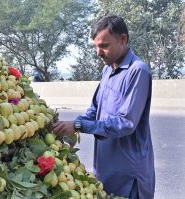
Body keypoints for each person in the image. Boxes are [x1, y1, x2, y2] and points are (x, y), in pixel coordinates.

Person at [52, 15, 155, 199]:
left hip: (129, 177)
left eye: (104, 46)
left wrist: (78, 126)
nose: (98, 52)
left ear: (123, 40)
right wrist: (67, 125)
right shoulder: (107, 70)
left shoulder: (137, 71)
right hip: (106, 172)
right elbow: (94, 111)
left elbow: (126, 123)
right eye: (96, 47)